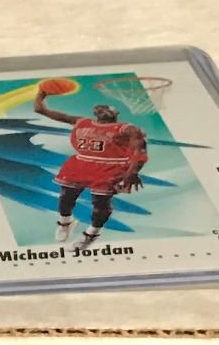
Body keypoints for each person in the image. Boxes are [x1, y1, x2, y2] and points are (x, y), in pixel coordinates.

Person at [33, 88, 148, 245]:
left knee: (100, 204)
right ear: (95, 112)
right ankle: (66, 222)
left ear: (116, 113)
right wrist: (41, 94)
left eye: (109, 108)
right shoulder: (82, 122)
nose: (105, 109)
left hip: (109, 167)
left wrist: (132, 172)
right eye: (102, 107)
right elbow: (40, 110)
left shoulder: (127, 129)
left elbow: (139, 152)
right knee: (66, 197)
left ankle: (92, 233)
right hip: (81, 164)